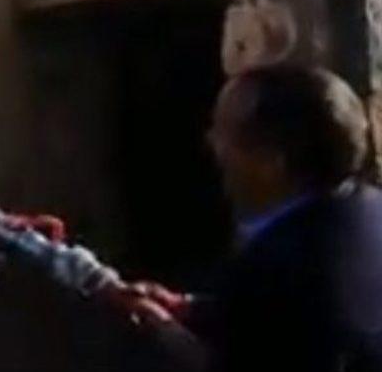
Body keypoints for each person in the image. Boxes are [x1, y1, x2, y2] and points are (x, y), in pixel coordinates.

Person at [96, 64, 382, 371]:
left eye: (224, 132)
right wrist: (189, 309)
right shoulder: (367, 212)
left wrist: (161, 330)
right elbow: (279, 324)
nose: (211, 142)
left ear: (271, 162)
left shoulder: (276, 268)